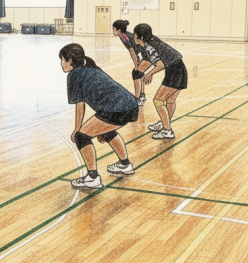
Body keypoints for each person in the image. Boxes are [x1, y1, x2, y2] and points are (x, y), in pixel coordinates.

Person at [60, 43, 138, 190]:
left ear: (70, 60)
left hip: (116, 109)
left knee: (82, 137)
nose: (61, 64)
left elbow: (80, 105)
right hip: (130, 105)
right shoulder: (91, 67)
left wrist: (77, 129)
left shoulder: (74, 75)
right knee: (107, 131)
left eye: (63, 60)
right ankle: (125, 164)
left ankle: (93, 177)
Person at [134, 23, 188, 140]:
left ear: (141, 37)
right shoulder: (152, 42)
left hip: (175, 72)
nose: (134, 37)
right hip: (179, 69)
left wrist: (150, 73)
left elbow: (160, 64)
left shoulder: (149, 47)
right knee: (170, 100)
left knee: (158, 100)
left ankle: (167, 130)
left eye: (135, 35)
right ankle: (165, 124)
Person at [112, 19, 146, 107]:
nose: (113, 30)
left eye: (114, 29)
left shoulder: (124, 36)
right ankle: (142, 95)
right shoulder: (124, 34)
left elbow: (132, 51)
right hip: (142, 53)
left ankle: (137, 99)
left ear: (119, 30)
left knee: (136, 73)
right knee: (140, 73)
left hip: (145, 52)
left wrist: (136, 65)